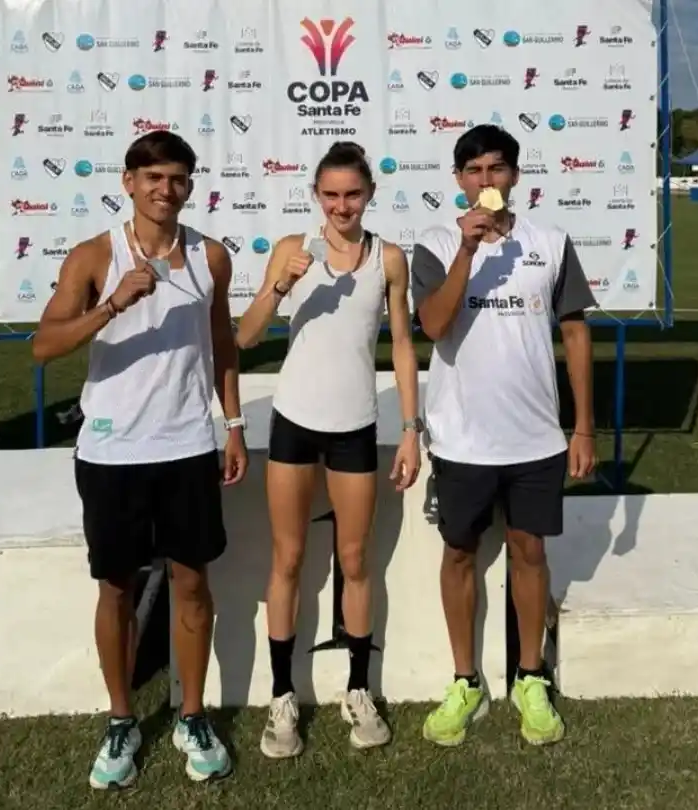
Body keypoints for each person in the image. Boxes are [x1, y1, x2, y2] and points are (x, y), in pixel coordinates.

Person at [32, 130, 247, 788]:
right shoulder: (94, 256)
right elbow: (44, 345)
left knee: (192, 584)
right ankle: (122, 718)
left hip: (185, 445)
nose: (165, 188)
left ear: (190, 185)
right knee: (116, 588)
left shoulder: (210, 256)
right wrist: (110, 305)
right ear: (128, 183)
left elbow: (222, 345)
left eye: (177, 178)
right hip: (112, 451)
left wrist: (232, 424)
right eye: (152, 176)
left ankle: (190, 714)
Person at [410, 124, 597, 747]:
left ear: (515, 176)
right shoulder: (436, 243)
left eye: (496, 169)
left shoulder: (551, 241)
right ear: (458, 180)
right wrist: (468, 252)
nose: (485, 182)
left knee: (530, 553)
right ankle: (465, 679)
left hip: (536, 438)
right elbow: (435, 326)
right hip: (462, 438)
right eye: (473, 171)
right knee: (459, 553)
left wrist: (584, 426)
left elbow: (574, 334)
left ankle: (530, 675)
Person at [236, 141, 421, 758]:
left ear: (369, 194)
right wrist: (279, 286)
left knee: (356, 559)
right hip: (294, 422)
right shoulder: (293, 250)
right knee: (287, 559)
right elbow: (245, 335)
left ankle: (357, 690)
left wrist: (413, 428)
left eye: (353, 194)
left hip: (354, 425)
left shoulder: (388, 259)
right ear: (316, 196)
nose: (342, 206)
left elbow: (399, 346)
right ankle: (283, 696)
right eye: (331, 195)